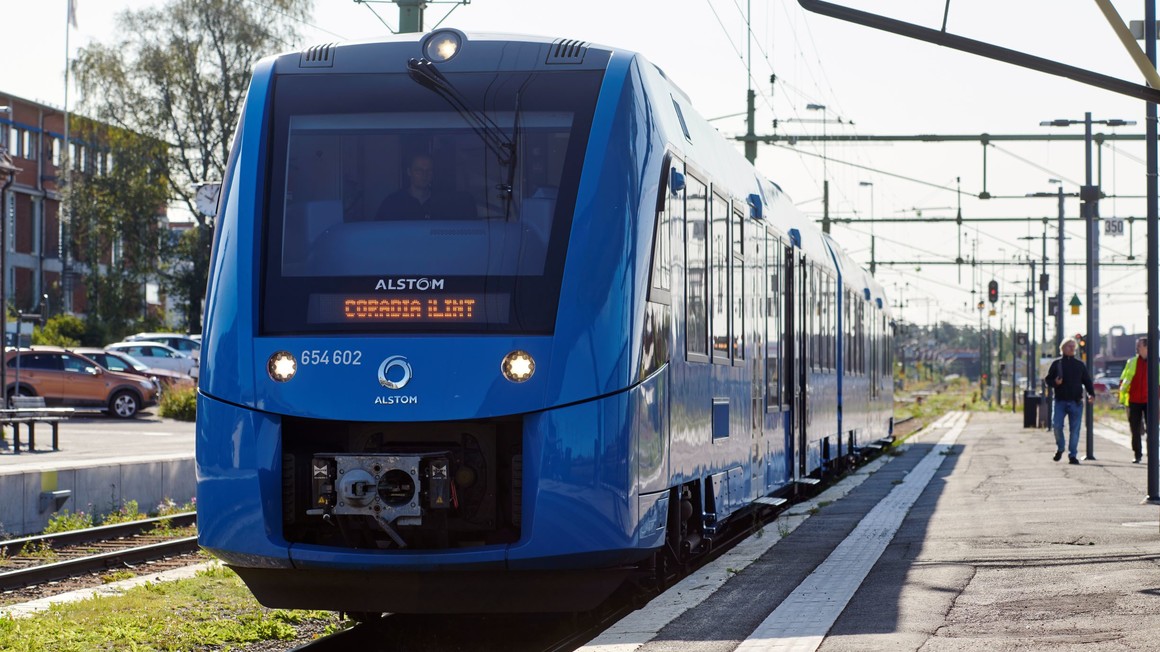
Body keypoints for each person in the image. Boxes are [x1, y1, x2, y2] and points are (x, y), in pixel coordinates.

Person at [375, 153, 475, 220]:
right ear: (409, 172)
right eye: (419, 170)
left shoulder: (444, 202)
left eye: (429, 170)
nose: (424, 174)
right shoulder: (393, 203)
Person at [1044, 338, 1095, 465]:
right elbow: (1048, 380)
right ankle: (1060, 447)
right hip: (1060, 401)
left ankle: (1073, 455)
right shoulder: (1056, 364)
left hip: (1076, 402)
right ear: (1062, 348)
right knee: (1056, 425)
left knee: (1075, 430)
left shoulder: (1079, 365)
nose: (1072, 349)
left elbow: (1087, 381)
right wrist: (1055, 382)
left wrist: (1091, 394)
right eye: (1069, 346)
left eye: (1073, 346)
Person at [1119, 337, 1149, 463]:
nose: (1137, 348)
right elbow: (1123, 379)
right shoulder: (1131, 362)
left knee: (1152, 429)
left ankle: (1152, 454)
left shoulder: (1156, 362)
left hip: (1150, 401)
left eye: (1139, 345)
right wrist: (1123, 392)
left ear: (1146, 347)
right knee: (1135, 429)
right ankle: (1138, 454)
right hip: (1134, 400)